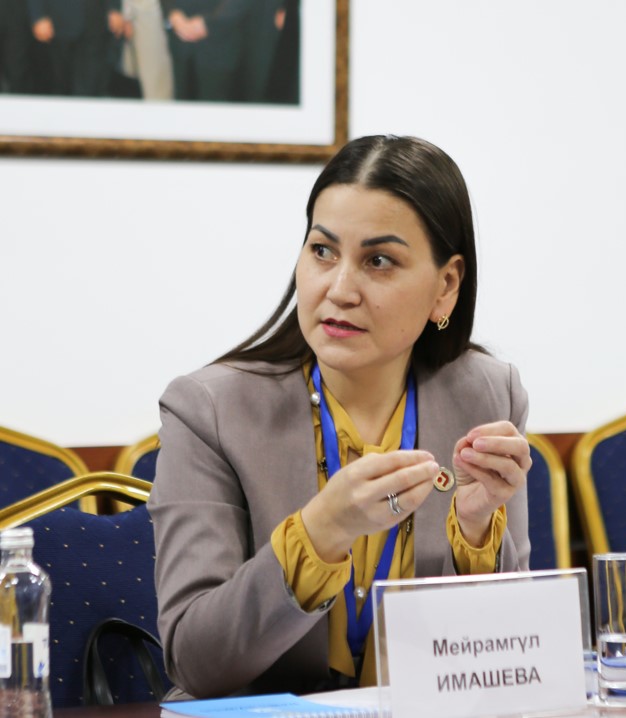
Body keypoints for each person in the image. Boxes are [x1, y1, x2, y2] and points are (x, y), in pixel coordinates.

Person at [148, 134, 532, 700]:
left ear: (446, 286)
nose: (340, 289)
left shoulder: (489, 395)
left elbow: (510, 658)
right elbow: (197, 663)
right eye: (323, 252)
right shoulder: (209, 410)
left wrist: (474, 536)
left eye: (379, 261)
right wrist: (321, 530)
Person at [26, 0, 124, 96]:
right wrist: (38, 15)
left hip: (96, 21)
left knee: (91, 86)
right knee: (59, 85)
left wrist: (114, 7)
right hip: (57, 24)